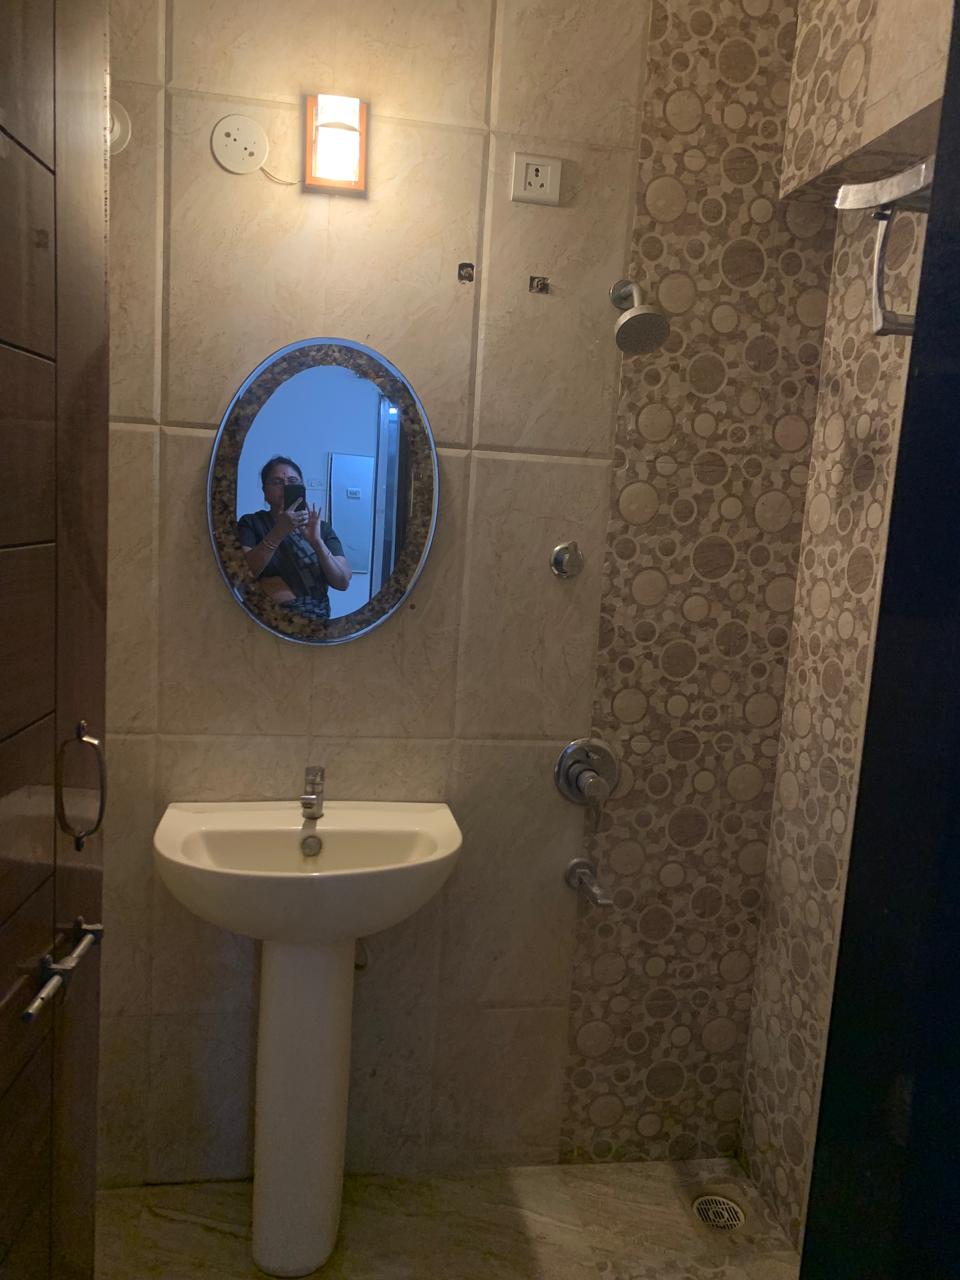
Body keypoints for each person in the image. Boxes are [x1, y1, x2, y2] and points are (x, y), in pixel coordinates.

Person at [237, 455, 352, 620]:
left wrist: (317, 542)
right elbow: (242, 574)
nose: (285, 487)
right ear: (265, 492)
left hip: (317, 621)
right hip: (265, 621)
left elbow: (342, 582)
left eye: (292, 481)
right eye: (276, 482)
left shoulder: (321, 528)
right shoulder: (252, 523)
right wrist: (279, 531)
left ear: (302, 488)